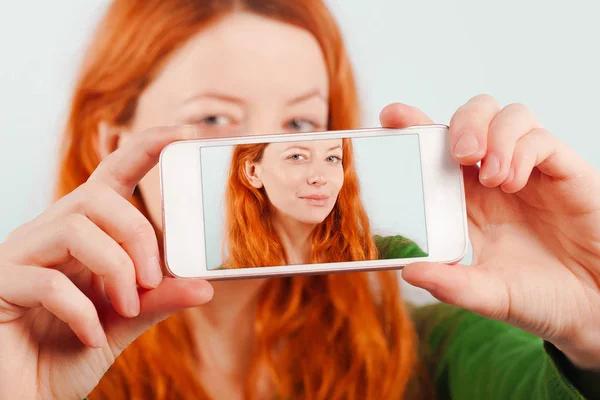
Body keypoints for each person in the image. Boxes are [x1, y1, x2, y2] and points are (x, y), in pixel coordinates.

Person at [0, 0, 599, 399]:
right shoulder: (44, 346)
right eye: (213, 116)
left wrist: (592, 333)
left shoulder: (435, 349)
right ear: (112, 142)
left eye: (302, 123)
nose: (282, 153)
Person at [217, 138, 426, 270]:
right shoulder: (214, 288)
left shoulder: (391, 257)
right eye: (297, 156)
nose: (320, 177)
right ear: (253, 171)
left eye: (332, 158)